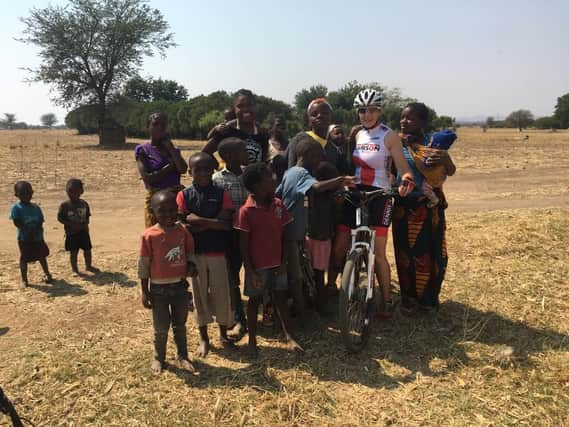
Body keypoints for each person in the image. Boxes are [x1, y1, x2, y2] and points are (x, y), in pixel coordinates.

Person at [333, 88, 415, 319]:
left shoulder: (389, 136)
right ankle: (344, 287)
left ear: (379, 110)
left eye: (371, 110)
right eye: (362, 110)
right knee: (340, 245)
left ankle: (386, 300)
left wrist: (406, 180)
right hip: (356, 192)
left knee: (378, 251)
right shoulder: (356, 134)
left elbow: (402, 168)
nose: (366, 114)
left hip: (381, 195)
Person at [277, 139, 355, 317]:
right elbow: (318, 187)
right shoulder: (303, 174)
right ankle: (310, 310)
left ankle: (303, 306)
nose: (320, 161)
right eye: (319, 157)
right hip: (294, 233)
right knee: (299, 276)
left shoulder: (290, 172)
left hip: (290, 231)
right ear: (309, 155)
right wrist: (340, 179)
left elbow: (278, 194)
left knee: (298, 274)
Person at [393, 102, 456, 314]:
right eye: (403, 117)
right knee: (404, 255)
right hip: (402, 207)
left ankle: (428, 300)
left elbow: (451, 171)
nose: (404, 121)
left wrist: (445, 158)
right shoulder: (395, 142)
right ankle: (408, 300)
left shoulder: (432, 142)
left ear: (422, 122)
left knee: (430, 254)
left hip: (429, 209)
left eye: (410, 118)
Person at [235, 162, 302, 357]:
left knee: (281, 298)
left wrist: (283, 262)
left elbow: (285, 236)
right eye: (269, 178)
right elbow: (244, 246)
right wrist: (250, 270)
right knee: (255, 301)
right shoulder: (246, 211)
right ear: (256, 186)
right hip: (257, 268)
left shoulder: (278, 205)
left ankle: (290, 336)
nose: (274, 180)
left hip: (277, 264)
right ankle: (252, 340)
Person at [176, 152, 235, 357]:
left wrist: (199, 220)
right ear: (190, 171)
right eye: (197, 169)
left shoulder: (221, 192)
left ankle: (223, 335)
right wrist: (212, 223)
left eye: (206, 168)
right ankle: (203, 338)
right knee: (199, 296)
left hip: (218, 252)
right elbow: (183, 225)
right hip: (196, 253)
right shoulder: (184, 195)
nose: (202, 172)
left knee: (221, 294)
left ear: (214, 170)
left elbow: (226, 224)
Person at [138, 191, 196, 374]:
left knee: (180, 325)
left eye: (172, 210)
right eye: (161, 211)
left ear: (177, 209)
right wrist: (144, 291)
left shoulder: (183, 231)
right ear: (153, 212)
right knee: (161, 328)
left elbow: (189, 252)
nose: (168, 214)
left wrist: (192, 265)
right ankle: (159, 358)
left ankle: (183, 356)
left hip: (179, 287)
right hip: (158, 290)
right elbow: (144, 264)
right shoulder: (149, 235)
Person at [212, 138, 250, 338]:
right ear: (228, 156)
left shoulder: (249, 175)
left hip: (251, 234)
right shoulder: (217, 179)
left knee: (253, 274)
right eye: (242, 150)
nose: (247, 153)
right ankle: (238, 318)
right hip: (229, 235)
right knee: (232, 277)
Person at [135, 112, 188, 227]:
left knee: (177, 232)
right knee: (156, 234)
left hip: (175, 198)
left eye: (163, 124)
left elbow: (183, 169)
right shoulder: (143, 150)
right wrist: (170, 166)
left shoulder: (173, 149)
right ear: (148, 127)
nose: (160, 127)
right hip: (156, 199)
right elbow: (148, 178)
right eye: (155, 124)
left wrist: (170, 148)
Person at [306, 162, 344, 312]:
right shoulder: (329, 198)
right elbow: (335, 218)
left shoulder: (311, 192)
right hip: (322, 240)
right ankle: (322, 305)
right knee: (320, 274)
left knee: (312, 273)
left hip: (309, 237)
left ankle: (313, 300)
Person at [203, 89, 269, 166]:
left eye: (249, 105)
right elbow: (205, 152)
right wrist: (218, 167)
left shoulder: (262, 133)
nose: (245, 109)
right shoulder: (227, 131)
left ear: (255, 107)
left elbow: (264, 160)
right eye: (240, 106)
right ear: (234, 109)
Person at [287, 98, 348, 174]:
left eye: (325, 113)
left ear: (331, 118)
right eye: (314, 114)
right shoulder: (299, 140)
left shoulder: (332, 149)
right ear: (309, 120)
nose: (319, 116)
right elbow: (291, 173)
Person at [9, 181, 53, 288]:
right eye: (22, 193)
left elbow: (40, 220)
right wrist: (27, 231)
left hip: (37, 237)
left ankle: (47, 274)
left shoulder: (36, 207)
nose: (26, 196)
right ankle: (24, 280)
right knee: (24, 258)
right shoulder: (16, 208)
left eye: (28, 193)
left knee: (42, 256)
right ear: (16, 195)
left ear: (32, 193)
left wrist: (36, 230)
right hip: (24, 238)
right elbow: (16, 222)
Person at [57, 178, 100, 276]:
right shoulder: (65, 206)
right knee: (73, 252)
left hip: (83, 232)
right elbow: (60, 218)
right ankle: (75, 269)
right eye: (70, 192)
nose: (72, 194)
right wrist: (70, 224)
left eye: (75, 192)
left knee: (87, 250)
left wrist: (85, 225)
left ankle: (88, 266)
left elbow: (88, 216)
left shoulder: (84, 204)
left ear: (81, 191)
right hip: (71, 234)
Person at [405, 129, 457, 207]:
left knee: (425, 187)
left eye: (430, 142)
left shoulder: (434, 153)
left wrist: (410, 147)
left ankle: (434, 199)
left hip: (432, 181)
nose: (429, 144)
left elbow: (422, 163)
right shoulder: (438, 150)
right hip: (440, 179)